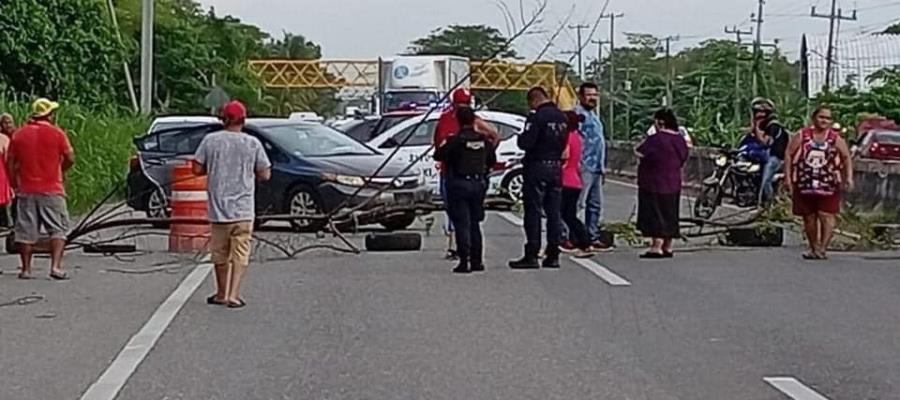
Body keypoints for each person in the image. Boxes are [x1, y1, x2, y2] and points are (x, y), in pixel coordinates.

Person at [193, 100, 272, 308]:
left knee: (220, 253)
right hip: (244, 210)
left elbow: (196, 169)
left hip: (219, 210)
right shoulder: (252, 143)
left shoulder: (211, 141)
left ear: (224, 119)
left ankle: (220, 292)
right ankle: (234, 295)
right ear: (243, 120)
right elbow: (265, 173)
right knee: (240, 252)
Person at [8, 99, 75, 280]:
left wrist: (15, 183)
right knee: (58, 229)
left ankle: (26, 269)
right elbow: (70, 157)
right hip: (52, 188)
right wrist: (61, 169)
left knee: (26, 231)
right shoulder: (57, 133)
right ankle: (55, 267)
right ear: (49, 115)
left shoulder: (19, 135)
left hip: (27, 189)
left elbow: (11, 163)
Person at [432, 88, 498, 260]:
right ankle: (475, 259)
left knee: (459, 218)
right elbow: (493, 146)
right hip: (475, 179)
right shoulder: (479, 134)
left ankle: (461, 254)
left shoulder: (452, 131)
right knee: (473, 221)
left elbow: (439, 152)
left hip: (455, 177)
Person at [509, 87, 568, 269]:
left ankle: (532, 253)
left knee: (533, 211)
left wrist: (521, 137)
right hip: (556, 166)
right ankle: (553, 254)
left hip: (537, 166)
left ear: (533, 100)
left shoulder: (536, 117)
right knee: (554, 212)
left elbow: (527, 142)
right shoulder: (561, 117)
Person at [784, 106, 853, 260]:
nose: (824, 121)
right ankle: (813, 246)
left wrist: (848, 177)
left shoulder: (835, 138)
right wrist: (787, 178)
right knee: (809, 216)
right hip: (804, 183)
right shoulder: (802, 135)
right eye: (821, 117)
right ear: (814, 118)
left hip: (828, 184)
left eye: (828, 118)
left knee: (826, 214)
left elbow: (846, 156)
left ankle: (823, 248)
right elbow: (789, 154)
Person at [635, 108, 689, 259]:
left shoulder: (656, 139)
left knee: (655, 213)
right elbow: (684, 157)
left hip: (653, 182)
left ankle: (656, 246)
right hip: (673, 182)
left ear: (660, 122)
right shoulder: (680, 139)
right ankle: (667, 245)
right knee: (670, 213)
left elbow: (640, 152)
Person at [568, 82, 612, 251]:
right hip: (584, 166)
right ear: (581, 96)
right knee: (578, 204)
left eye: (595, 95)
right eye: (589, 95)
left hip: (596, 167)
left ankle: (591, 235)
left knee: (595, 204)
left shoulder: (594, 115)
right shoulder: (578, 115)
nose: (592, 98)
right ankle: (570, 236)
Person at [560, 111, 598, 258]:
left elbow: (565, 155)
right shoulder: (578, 137)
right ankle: (584, 242)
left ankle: (571, 241)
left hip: (565, 179)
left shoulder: (566, 137)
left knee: (561, 214)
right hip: (575, 179)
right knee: (570, 215)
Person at [750, 97, 789, 206]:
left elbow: (765, 142)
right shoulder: (767, 126)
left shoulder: (773, 125)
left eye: (762, 112)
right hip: (767, 156)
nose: (759, 114)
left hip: (774, 157)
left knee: (766, 182)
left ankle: (770, 205)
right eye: (757, 112)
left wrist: (757, 125)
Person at [0, 113, 15, 227]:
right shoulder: (4, 139)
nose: (8, 125)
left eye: (10, 122)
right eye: (5, 122)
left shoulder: (14, 136)